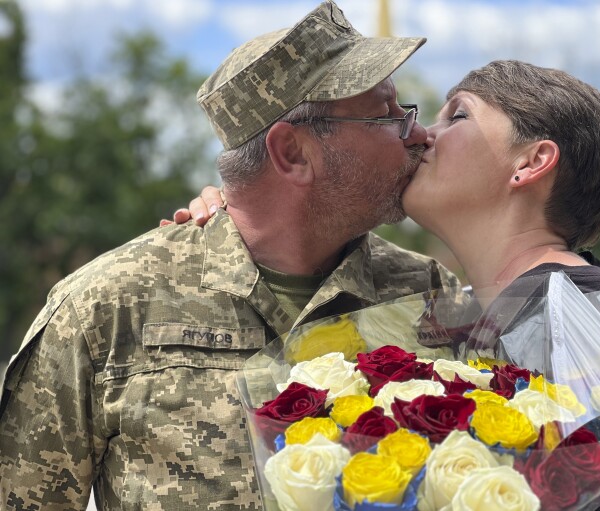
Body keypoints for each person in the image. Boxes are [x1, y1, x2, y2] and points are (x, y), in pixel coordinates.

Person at [0, 2, 461, 509]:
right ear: (293, 154)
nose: (416, 132)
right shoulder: (106, 308)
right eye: (387, 113)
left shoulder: (429, 295)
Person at [183, 60, 600, 510]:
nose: (423, 133)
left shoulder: (576, 306)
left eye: (459, 116)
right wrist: (239, 214)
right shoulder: (475, 311)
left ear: (531, 163)